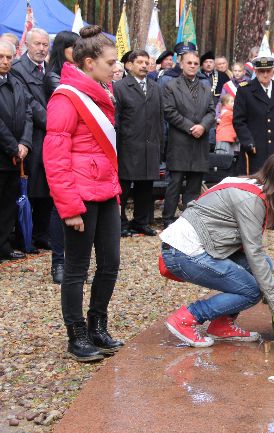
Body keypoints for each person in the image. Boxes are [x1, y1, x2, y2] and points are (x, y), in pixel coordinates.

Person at [162, 149, 274, 347]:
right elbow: (253, 252)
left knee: (264, 265)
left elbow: (256, 257)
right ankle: (186, 318)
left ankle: (221, 325)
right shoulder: (252, 200)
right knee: (251, 291)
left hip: (196, 246)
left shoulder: (251, 184)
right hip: (183, 253)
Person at [43, 25, 124, 362]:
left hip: (106, 192)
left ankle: (97, 326)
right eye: (110, 62)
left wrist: (116, 194)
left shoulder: (100, 93)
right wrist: (69, 207)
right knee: (77, 269)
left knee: (110, 264)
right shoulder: (66, 98)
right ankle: (76, 335)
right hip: (80, 195)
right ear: (89, 63)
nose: (115, 68)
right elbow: (56, 158)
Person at [162, 49, 216, 228]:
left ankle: (188, 219)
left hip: (200, 141)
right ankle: (168, 218)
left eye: (195, 63)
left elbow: (211, 111)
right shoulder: (171, 86)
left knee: (194, 182)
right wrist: (190, 127)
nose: (192, 66)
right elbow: (169, 111)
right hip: (180, 141)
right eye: (189, 63)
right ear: (181, 64)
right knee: (175, 182)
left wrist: (203, 126)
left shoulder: (205, 86)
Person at [114, 50, 164, 237]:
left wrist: (160, 144)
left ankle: (141, 221)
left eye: (146, 62)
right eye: (140, 62)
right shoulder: (119, 87)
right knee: (124, 187)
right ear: (129, 65)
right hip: (128, 146)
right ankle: (120, 223)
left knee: (145, 187)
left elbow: (160, 118)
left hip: (150, 146)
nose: (144, 65)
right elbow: (116, 120)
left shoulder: (155, 87)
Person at [43, 30, 80, 283]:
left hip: (81, 148)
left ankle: (74, 262)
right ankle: (58, 262)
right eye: (73, 47)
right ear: (63, 48)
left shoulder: (78, 74)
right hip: (62, 144)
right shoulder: (54, 77)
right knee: (60, 206)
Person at [10, 28, 50, 253]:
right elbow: (29, 104)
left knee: (47, 189)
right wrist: (54, 121)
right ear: (27, 44)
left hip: (51, 138)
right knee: (31, 189)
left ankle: (42, 235)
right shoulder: (18, 70)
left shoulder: (51, 70)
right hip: (32, 137)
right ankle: (25, 237)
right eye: (37, 44)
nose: (41, 49)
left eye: (45, 45)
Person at [233, 55, 274, 175]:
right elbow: (238, 121)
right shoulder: (245, 90)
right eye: (261, 71)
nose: (265, 74)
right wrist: (248, 142)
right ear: (255, 71)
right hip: (255, 150)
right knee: (254, 189)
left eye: (268, 71)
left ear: (273, 71)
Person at [0, 40, 32, 262]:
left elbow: (28, 112)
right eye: (1, 57)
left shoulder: (16, 82)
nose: (5, 61)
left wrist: (25, 143)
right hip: (4, 153)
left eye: (9, 57)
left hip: (15, 157)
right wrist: (13, 145)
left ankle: (3, 245)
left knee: (9, 206)